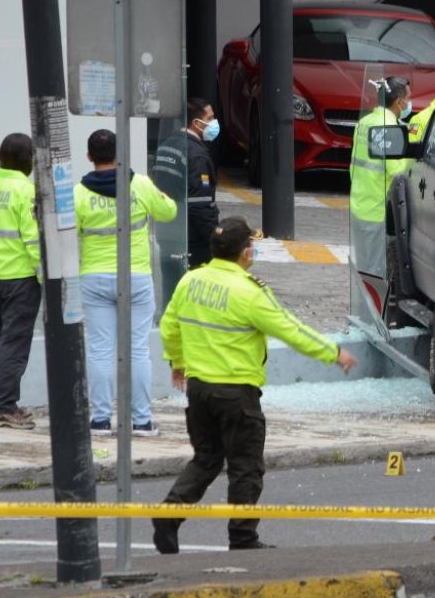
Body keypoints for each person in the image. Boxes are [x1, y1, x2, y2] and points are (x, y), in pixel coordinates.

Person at [152, 217, 357, 553]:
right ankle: (243, 538)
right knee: (246, 467)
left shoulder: (191, 280)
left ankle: (169, 516)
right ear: (245, 252)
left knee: (206, 459)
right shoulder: (249, 292)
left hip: (199, 389)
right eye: (253, 244)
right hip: (236, 393)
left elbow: (170, 325)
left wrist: (177, 363)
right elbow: (290, 329)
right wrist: (333, 352)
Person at [75, 129, 177, 437]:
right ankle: (141, 421)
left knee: (100, 350)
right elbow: (169, 211)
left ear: (90, 156)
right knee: (136, 349)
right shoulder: (141, 184)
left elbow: (71, 230)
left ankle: (101, 420)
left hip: (94, 276)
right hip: (136, 278)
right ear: (120, 154)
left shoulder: (79, 192)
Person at [0, 133, 41, 430]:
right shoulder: (25, 190)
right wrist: (47, 278)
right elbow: (32, 238)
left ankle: (4, 402)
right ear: (27, 159)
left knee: (7, 340)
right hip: (20, 276)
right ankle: (2, 406)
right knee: (15, 343)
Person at [349, 76, 412, 279]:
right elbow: (398, 172)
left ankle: (362, 308)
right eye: (408, 98)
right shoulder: (390, 128)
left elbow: (354, 165)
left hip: (359, 205)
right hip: (377, 210)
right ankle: (371, 310)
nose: (409, 103)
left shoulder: (364, 122)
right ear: (399, 102)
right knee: (374, 273)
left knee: (362, 267)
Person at [153, 97, 221, 278]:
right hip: (192, 239)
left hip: (166, 233)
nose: (214, 123)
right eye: (210, 118)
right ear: (196, 123)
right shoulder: (196, 156)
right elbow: (200, 204)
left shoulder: (166, 147)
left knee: (171, 289)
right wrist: (214, 237)